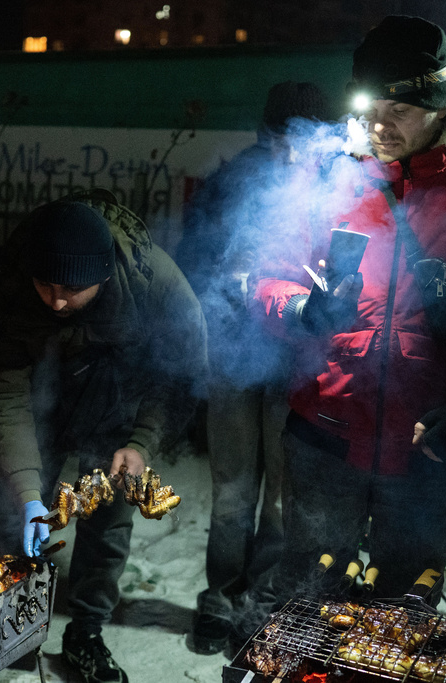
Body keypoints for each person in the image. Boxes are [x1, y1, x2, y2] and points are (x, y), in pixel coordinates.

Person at [247, 14, 446, 620]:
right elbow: (265, 274)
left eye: (397, 110)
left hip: (432, 453)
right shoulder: (325, 177)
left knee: (403, 618)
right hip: (324, 437)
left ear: (440, 104)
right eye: (367, 107)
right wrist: (298, 307)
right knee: (306, 606)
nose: (375, 127)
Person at [0, 190, 207, 683]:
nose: (56, 299)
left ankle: (86, 631)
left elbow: (182, 375)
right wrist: (29, 490)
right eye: (46, 284)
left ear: (101, 275)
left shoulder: (155, 286)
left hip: (122, 393)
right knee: (13, 506)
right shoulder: (11, 281)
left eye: (72, 289)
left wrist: (141, 443)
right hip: (41, 391)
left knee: (107, 517)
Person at [176, 81, 332, 654]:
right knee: (234, 490)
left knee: (283, 499)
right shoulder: (233, 180)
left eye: (302, 142)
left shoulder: (335, 191)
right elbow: (196, 256)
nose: (289, 154)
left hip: (296, 363)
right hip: (236, 356)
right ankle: (220, 596)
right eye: (278, 140)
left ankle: (262, 601)